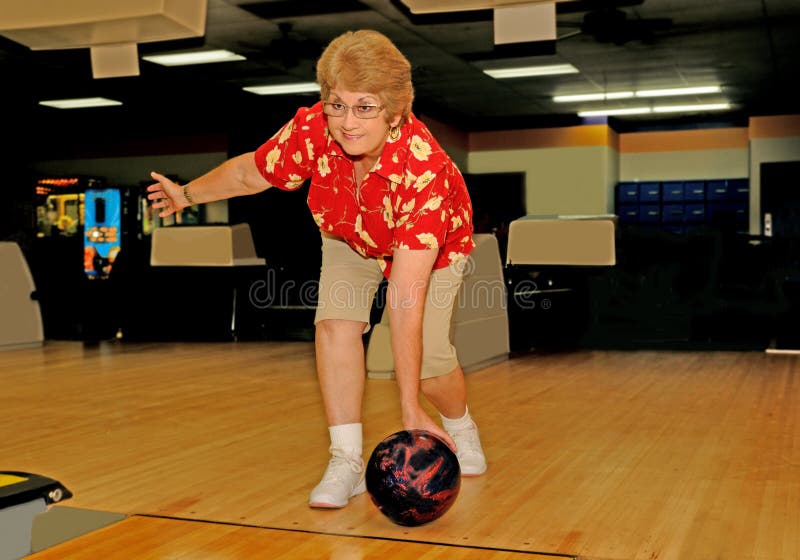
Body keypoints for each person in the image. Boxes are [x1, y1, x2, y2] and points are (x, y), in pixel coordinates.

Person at [147, 29, 487, 509]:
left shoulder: (423, 171)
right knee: (334, 325)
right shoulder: (313, 129)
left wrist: (411, 408)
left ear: (394, 110)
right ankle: (345, 460)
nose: (347, 122)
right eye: (337, 104)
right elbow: (250, 173)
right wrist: (187, 194)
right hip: (350, 234)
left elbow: (406, 296)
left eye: (364, 106)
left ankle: (460, 426)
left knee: (429, 363)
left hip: (432, 246)